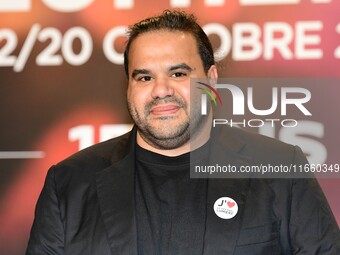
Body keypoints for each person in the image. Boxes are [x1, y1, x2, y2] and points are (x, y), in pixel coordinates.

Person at [26, 10, 339, 255]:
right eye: (144, 78)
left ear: (211, 79)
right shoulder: (69, 182)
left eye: (178, 73)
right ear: (129, 87)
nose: (161, 90)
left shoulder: (279, 168)